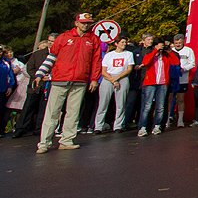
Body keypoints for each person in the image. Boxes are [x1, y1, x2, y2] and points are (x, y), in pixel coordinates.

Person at [34, 13, 103, 153]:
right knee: (53, 112)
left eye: (88, 23)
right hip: (60, 79)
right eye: (83, 22)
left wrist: (94, 79)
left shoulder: (94, 39)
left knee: (73, 112)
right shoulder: (64, 37)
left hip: (80, 80)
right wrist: (40, 74)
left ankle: (67, 140)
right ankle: (44, 143)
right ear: (76, 23)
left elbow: (96, 61)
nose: (86, 25)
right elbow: (52, 56)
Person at [12, 35, 54, 138]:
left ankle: (39, 129)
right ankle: (20, 129)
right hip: (35, 85)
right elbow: (29, 68)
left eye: (53, 41)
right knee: (28, 108)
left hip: (49, 85)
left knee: (43, 108)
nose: (50, 43)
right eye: (49, 41)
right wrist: (38, 76)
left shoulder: (60, 54)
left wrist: (50, 76)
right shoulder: (37, 54)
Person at [136, 36, 179, 137]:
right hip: (150, 82)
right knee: (147, 106)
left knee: (160, 106)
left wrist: (169, 51)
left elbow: (176, 62)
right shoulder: (150, 53)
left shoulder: (165, 56)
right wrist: (155, 50)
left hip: (162, 83)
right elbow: (146, 62)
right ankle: (143, 127)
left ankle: (157, 125)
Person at [94, 35, 134, 133]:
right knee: (103, 103)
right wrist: (112, 80)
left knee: (121, 103)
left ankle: (118, 125)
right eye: (122, 42)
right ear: (116, 44)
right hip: (108, 78)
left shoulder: (128, 54)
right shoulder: (109, 55)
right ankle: (98, 126)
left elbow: (129, 69)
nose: (124, 44)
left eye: (125, 42)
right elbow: (103, 70)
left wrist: (118, 78)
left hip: (122, 77)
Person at [125, 32, 155, 128]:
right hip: (136, 79)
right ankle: (126, 122)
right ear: (143, 41)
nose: (150, 41)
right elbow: (130, 63)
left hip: (148, 80)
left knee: (146, 103)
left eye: (151, 40)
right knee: (131, 102)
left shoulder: (154, 52)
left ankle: (143, 123)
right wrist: (134, 67)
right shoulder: (136, 52)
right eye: (148, 39)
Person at [168, 34, 195, 128]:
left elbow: (192, 63)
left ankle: (180, 120)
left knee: (180, 99)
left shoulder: (188, 50)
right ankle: (168, 119)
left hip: (183, 78)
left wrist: (184, 69)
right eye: (176, 43)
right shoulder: (171, 51)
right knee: (170, 99)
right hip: (172, 79)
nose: (178, 44)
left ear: (183, 41)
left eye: (179, 42)